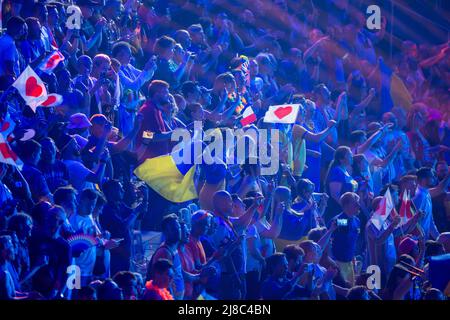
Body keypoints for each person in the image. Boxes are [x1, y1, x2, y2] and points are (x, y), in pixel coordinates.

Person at [100, 180, 139, 276]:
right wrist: (136, 212)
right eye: (120, 188)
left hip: (125, 255)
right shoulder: (107, 209)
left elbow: (136, 215)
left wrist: (143, 200)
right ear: (111, 191)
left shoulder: (120, 205)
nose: (123, 190)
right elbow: (123, 227)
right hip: (115, 256)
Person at [329, 192, 361, 287]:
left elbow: (352, 242)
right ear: (346, 205)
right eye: (355, 203)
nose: (358, 206)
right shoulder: (340, 221)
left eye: (358, 203)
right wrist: (333, 262)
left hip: (350, 262)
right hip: (338, 263)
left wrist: (353, 260)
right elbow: (330, 240)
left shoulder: (357, 221)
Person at [413, 167, 450, 240]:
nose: (434, 178)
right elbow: (416, 221)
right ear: (423, 179)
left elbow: (430, 220)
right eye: (431, 176)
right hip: (417, 240)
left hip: (424, 240)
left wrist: (438, 238)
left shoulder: (426, 194)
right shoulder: (418, 196)